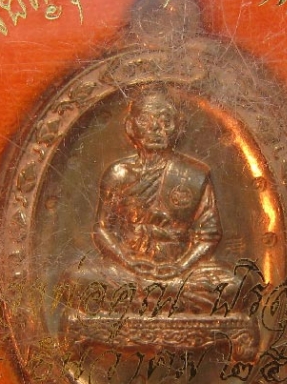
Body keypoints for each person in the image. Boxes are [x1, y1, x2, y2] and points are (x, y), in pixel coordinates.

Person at [93, 87, 223, 285]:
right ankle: (155, 293)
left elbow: (209, 235)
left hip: (181, 271)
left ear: (179, 126)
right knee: (75, 279)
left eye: (165, 120)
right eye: (145, 120)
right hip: (126, 269)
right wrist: (127, 262)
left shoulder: (194, 175)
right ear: (130, 127)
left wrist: (180, 266)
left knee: (234, 286)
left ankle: (153, 292)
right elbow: (102, 229)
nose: (155, 127)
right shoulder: (118, 174)